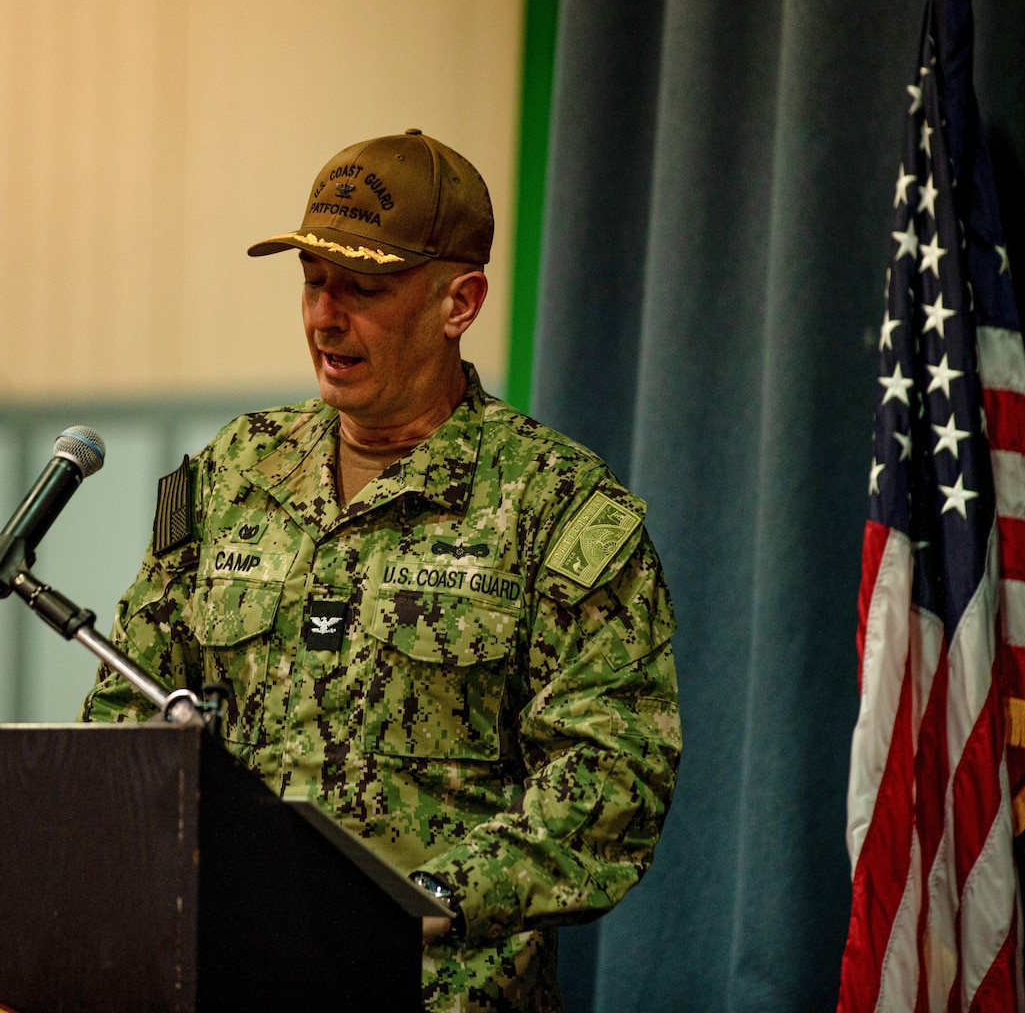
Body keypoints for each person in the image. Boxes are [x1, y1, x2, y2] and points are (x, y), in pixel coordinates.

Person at [81, 130, 680, 1011]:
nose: (327, 316)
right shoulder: (230, 475)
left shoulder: (556, 508)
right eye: (314, 281)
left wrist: (420, 905)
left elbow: (613, 778)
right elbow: (126, 719)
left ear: (459, 303)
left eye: (364, 288)